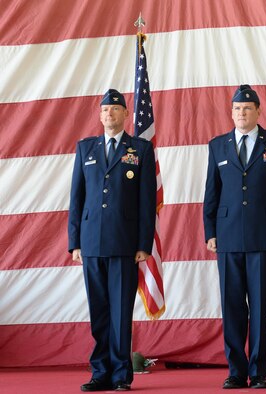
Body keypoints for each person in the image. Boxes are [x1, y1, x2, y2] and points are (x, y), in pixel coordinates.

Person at [203, 85, 266, 389]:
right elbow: (211, 193)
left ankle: (257, 372)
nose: (241, 113)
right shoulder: (218, 145)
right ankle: (235, 370)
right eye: (236, 109)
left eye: (247, 108)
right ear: (231, 113)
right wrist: (210, 231)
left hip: (264, 236)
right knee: (232, 307)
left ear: (258, 111)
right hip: (228, 236)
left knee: (259, 306)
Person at [68, 89, 156, 392]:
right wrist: (75, 242)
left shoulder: (140, 149)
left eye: (115, 110)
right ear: (100, 115)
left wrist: (144, 244)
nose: (110, 115)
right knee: (99, 312)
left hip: (125, 244)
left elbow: (147, 201)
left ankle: (120, 375)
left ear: (125, 115)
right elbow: (76, 199)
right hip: (91, 243)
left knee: (120, 313)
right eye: (105, 111)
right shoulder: (85, 149)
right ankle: (100, 372)